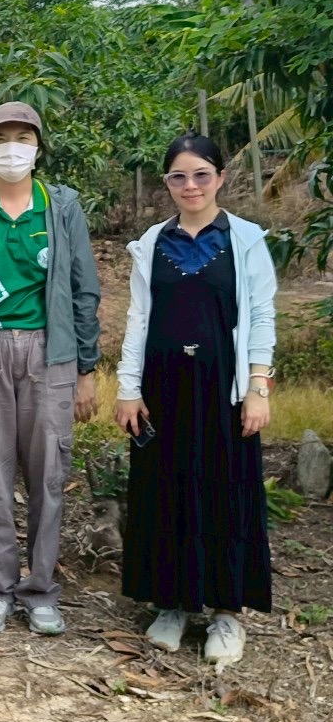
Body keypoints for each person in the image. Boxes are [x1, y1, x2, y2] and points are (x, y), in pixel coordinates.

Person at [0, 101, 100, 637]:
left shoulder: (61, 208)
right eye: (1, 137)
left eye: (23, 137)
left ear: (37, 145)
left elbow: (83, 289)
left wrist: (86, 367)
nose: (12, 147)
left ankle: (41, 590)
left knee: (48, 474)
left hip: (49, 353)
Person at [115, 132, 275, 664]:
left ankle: (227, 615)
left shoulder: (246, 240)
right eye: (179, 176)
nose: (190, 186)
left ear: (220, 178)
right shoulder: (152, 241)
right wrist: (127, 388)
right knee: (166, 489)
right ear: (167, 183)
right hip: (163, 390)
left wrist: (257, 388)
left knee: (226, 490)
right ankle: (172, 605)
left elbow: (261, 319)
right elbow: (138, 319)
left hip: (223, 392)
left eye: (201, 174)